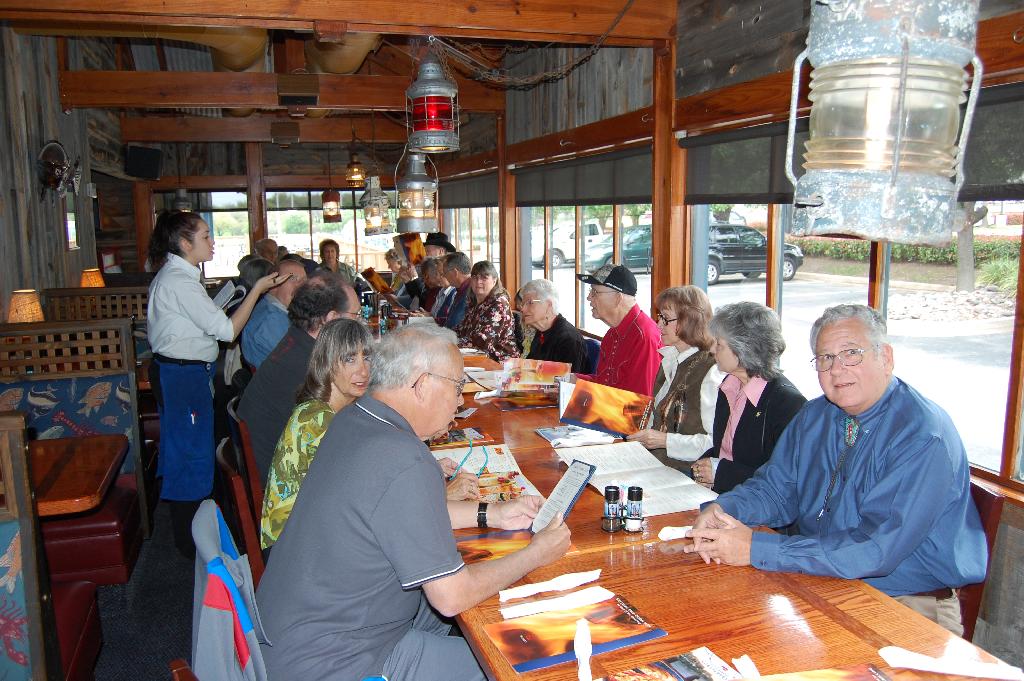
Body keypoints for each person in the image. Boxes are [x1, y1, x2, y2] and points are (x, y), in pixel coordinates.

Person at [257, 324, 570, 681]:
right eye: (456, 387)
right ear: (422, 384)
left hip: (292, 634)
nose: (460, 400)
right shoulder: (405, 458)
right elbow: (452, 596)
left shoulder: (353, 420)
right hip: (337, 661)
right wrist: (537, 553)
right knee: (527, 661)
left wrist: (491, 512)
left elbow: (395, 514)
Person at [685, 304, 987, 636]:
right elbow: (775, 489)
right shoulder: (816, 416)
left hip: (904, 601)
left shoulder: (921, 436)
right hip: (822, 576)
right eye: (825, 358)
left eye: (851, 354)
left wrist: (756, 548)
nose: (837, 369)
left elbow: (874, 549)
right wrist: (725, 508)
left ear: (885, 357)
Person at [146, 210, 288, 557]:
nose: (213, 242)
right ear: (184, 243)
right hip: (182, 376)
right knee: (191, 456)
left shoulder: (181, 276)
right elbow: (226, 332)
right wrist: (256, 290)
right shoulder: (178, 281)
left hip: (183, 372)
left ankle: (195, 536)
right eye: (206, 236)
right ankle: (192, 546)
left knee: (189, 451)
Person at [261, 318, 373, 551]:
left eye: (367, 357)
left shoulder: (332, 409)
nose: (363, 370)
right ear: (328, 363)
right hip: (291, 546)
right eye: (350, 359)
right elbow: (357, 496)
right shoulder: (316, 420)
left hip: (308, 531)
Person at [238, 273, 360, 482]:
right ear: (331, 319)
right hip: (287, 488)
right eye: (355, 316)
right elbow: (345, 436)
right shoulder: (308, 369)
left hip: (281, 467)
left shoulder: (296, 341)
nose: (361, 323)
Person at [690, 302, 805, 493]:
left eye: (719, 344)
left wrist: (720, 473)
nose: (712, 350)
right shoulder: (730, 385)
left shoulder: (787, 404)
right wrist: (704, 463)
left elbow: (787, 480)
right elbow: (726, 451)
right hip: (724, 496)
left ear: (744, 349)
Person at [627, 286, 725, 469]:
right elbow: (656, 416)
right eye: (659, 317)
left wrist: (665, 441)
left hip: (685, 473)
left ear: (690, 321)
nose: (658, 325)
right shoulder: (671, 358)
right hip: (654, 463)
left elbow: (714, 442)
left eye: (665, 318)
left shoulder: (710, 370)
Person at [575, 263, 661, 395]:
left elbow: (640, 404)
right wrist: (569, 380)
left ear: (618, 298)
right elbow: (604, 384)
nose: (589, 297)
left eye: (595, 292)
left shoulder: (644, 337)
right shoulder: (612, 334)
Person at [240, 258, 307, 369]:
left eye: (304, 280)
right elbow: (301, 364)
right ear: (273, 285)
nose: (300, 286)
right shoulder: (271, 321)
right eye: (293, 278)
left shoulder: (268, 307)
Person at [455, 260, 519, 362]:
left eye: (484, 277)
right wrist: (445, 337)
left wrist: (451, 343)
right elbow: (460, 330)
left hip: (500, 361)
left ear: (494, 281)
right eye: (475, 277)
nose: (478, 281)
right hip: (476, 357)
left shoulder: (499, 304)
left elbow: (483, 340)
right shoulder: (473, 304)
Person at [518, 278, 587, 371]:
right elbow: (530, 369)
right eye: (523, 304)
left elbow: (566, 382)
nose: (523, 309)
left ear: (549, 305)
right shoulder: (542, 331)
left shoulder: (569, 339)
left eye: (530, 303)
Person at [435, 251, 472, 329]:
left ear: (455, 272)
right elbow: (450, 319)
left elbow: (454, 323)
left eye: (444, 273)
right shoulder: (460, 289)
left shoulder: (470, 291)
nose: (444, 276)